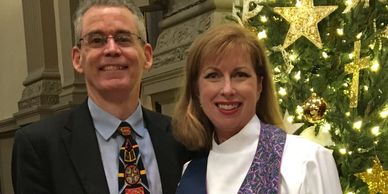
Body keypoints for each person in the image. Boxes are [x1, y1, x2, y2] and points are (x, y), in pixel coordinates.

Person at [11, 0, 189, 194]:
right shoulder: (39, 146)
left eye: (123, 38)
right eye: (96, 40)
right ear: (77, 59)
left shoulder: (181, 137)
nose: (111, 49)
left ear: (147, 55)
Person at [173, 23, 342, 194]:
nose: (227, 89)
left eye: (240, 75)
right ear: (196, 89)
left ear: (259, 85)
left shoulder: (305, 161)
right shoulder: (191, 172)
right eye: (213, 76)